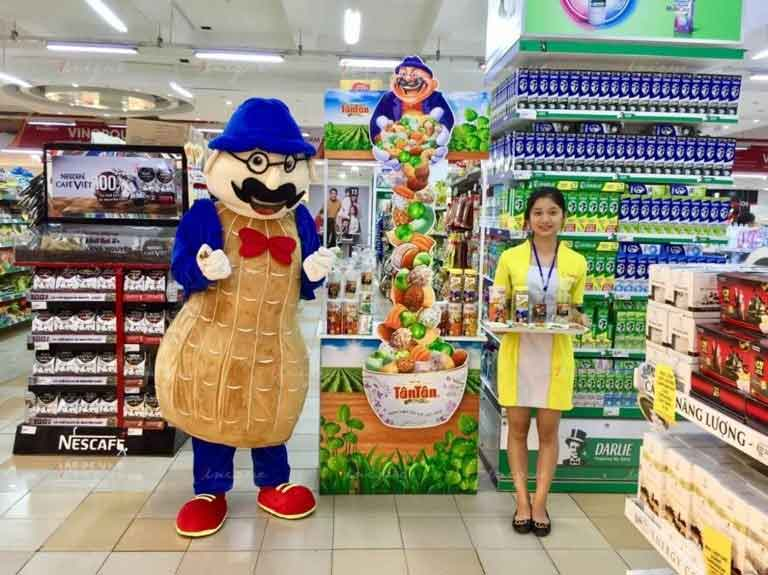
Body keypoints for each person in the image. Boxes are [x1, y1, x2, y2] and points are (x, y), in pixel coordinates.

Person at [493, 187, 588, 537]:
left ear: (563, 217)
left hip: (556, 359)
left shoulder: (577, 261)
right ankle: (521, 500)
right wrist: (499, 321)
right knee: (517, 431)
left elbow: (576, 307)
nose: (545, 219)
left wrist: (580, 318)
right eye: (537, 212)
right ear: (528, 219)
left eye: (552, 212)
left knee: (548, 434)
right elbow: (498, 304)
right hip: (518, 355)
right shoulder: (511, 257)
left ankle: (541, 502)